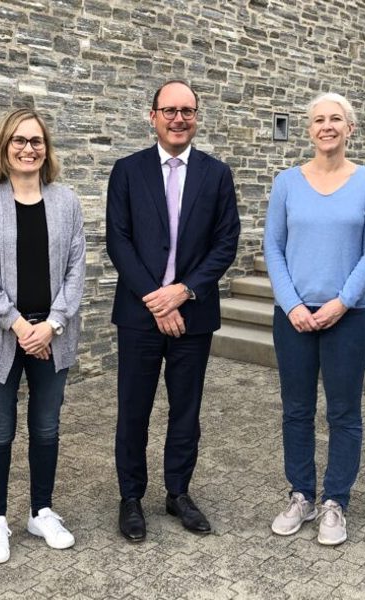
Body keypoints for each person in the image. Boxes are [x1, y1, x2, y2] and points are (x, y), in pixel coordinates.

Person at [106, 80, 240, 541]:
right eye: (169, 110)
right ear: (152, 116)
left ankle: (178, 492)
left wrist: (183, 291)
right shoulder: (127, 170)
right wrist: (156, 298)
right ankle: (131, 498)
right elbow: (117, 240)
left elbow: (226, 243)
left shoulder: (217, 173)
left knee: (186, 410)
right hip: (140, 314)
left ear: (196, 116)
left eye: (187, 111)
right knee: (133, 410)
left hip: (193, 313)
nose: (178, 118)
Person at [0, 108, 86, 565]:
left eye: (36, 141)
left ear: (46, 149)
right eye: (19, 140)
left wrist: (50, 325)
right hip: (2, 335)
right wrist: (17, 324)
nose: (28, 148)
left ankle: (41, 511)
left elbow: (77, 270)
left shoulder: (66, 201)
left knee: (46, 428)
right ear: (4, 147)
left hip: (52, 335)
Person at [263, 92, 365, 545]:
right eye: (319, 119)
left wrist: (342, 300)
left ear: (350, 128)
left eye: (336, 119)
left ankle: (335, 500)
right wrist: (292, 303)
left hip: (347, 317)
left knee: (344, 413)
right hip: (292, 318)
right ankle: (301, 494)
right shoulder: (286, 183)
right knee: (296, 411)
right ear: (310, 129)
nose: (327, 126)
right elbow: (273, 246)